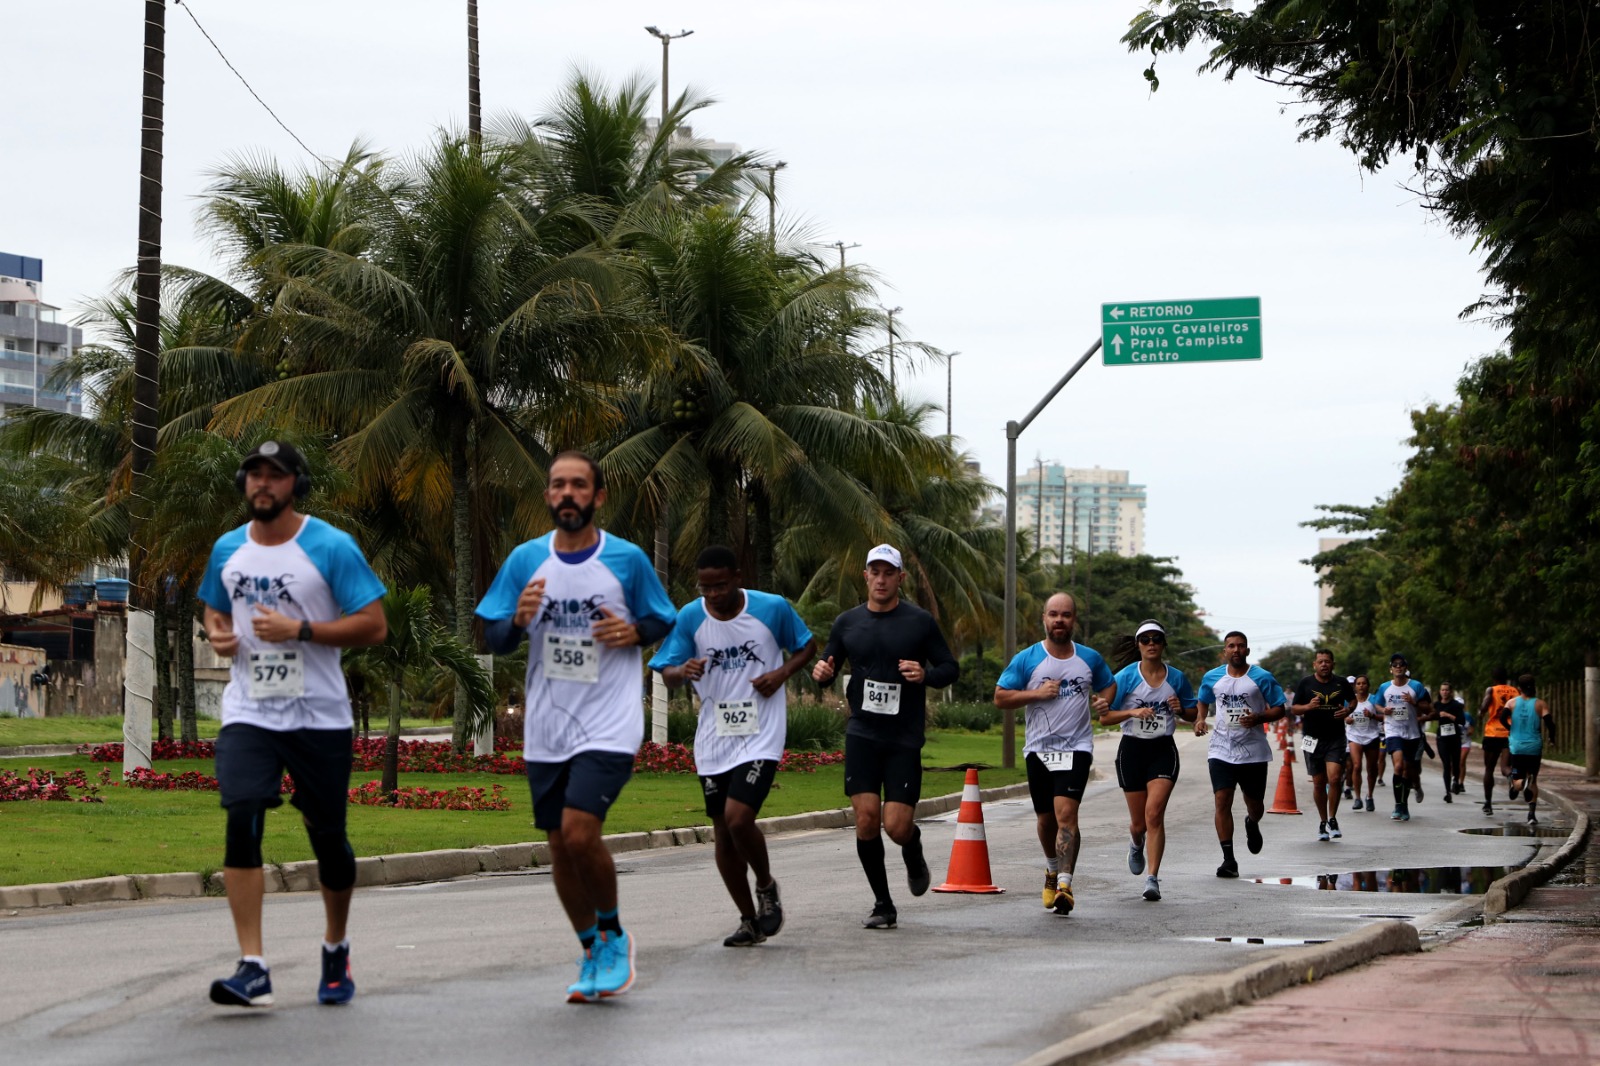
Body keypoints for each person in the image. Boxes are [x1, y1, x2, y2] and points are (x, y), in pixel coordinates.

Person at [475, 451, 676, 1003]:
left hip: (609, 722)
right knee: (560, 847)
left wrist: (634, 632)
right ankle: (591, 949)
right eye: (558, 485)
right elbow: (495, 637)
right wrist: (518, 619)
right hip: (548, 727)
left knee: (581, 831)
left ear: (598, 496)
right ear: (548, 496)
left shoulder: (626, 559)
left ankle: (614, 934)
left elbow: (662, 617)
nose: (568, 493)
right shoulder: (526, 560)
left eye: (579, 485)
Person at [199, 440, 389, 1008]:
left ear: (296, 485)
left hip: (319, 715)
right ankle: (253, 966)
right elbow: (215, 605)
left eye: (275, 475)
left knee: (327, 837)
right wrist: (217, 632)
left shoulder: (330, 546)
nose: (263, 483)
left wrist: (301, 630)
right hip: (250, 710)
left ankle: (335, 946)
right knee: (242, 814)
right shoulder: (228, 548)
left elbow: (373, 624)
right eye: (254, 474)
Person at [650, 545, 816, 947]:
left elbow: (807, 645)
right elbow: (666, 671)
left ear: (738, 578)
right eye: (705, 588)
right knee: (723, 832)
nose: (713, 595)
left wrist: (780, 674)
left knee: (739, 818)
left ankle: (766, 886)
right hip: (714, 738)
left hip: (761, 732)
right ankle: (748, 921)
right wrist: (682, 669)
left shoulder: (771, 608)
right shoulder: (690, 617)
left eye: (720, 586)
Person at [812, 544, 959, 930]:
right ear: (865, 576)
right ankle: (883, 904)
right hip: (862, 733)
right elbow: (828, 664)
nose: (881, 579)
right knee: (865, 819)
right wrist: (822, 673)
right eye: (874, 572)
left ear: (900, 578)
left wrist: (925, 675)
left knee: (895, 826)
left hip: (903, 738)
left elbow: (950, 667)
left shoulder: (919, 621)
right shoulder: (847, 622)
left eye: (888, 573)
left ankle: (912, 845)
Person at [994, 594, 1115, 914]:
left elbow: (1108, 684)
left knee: (1067, 815)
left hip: (1077, 748)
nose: (1059, 620)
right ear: (1044, 619)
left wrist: (1104, 701)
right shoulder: (1028, 659)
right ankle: (1051, 869)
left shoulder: (1089, 658)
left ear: (1074, 620)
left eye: (1066, 614)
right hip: (1038, 749)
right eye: (1053, 614)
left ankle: (1065, 884)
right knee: (1046, 819)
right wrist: (1037, 693)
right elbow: (1000, 697)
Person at [1100, 619, 1195, 902]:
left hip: (1162, 750)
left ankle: (1152, 879)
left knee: (1154, 814)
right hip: (1132, 750)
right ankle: (1135, 841)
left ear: (1164, 644)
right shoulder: (1125, 677)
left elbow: (1193, 713)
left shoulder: (1176, 678)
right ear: (1138, 645)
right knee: (1139, 823)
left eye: (1156, 639)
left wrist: (1181, 710)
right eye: (1146, 639)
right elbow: (1105, 718)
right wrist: (1132, 712)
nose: (1151, 644)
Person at [1194, 632, 1288, 878]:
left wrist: (1259, 717)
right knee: (1222, 800)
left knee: (1255, 805)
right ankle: (1229, 860)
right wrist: (1200, 718)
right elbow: (1202, 699)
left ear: (1247, 650)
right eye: (1231, 646)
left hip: (1253, 752)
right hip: (1221, 749)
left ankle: (1252, 822)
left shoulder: (1261, 677)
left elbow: (1279, 708)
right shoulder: (1212, 677)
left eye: (1240, 646)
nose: (1236, 650)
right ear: (1224, 651)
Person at [1290, 650, 1355, 841]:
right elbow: (1294, 708)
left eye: (1327, 661)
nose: (1324, 664)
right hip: (1312, 738)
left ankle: (1333, 819)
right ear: (1315, 664)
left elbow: (1352, 700)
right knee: (1319, 783)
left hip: (1336, 738)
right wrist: (1308, 707)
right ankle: (1322, 821)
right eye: (1320, 661)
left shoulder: (1341, 682)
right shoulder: (1306, 683)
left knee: (1334, 778)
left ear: (1333, 664)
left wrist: (1348, 710)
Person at [1372, 653, 1435, 821]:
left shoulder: (1416, 686)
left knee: (1408, 770)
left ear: (1406, 668)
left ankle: (1404, 805)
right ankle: (1398, 805)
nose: (1398, 667)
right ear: (1391, 669)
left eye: (1401, 664)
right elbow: (1377, 704)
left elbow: (1429, 709)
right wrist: (1383, 710)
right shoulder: (1385, 687)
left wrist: (1414, 702)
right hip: (1393, 731)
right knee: (1398, 766)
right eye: (1395, 665)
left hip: (1412, 733)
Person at [1504, 674, 1555, 824]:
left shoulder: (1512, 703)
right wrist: (1552, 739)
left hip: (1517, 747)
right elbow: (1550, 724)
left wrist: (1510, 729)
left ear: (1518, 688)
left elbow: (1501, 718)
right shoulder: (1540, 704)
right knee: (1534, 780)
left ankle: (1517, 786)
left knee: (1517, 780)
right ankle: (1531, 815)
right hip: (1534, 747)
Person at [1478, 666, 1519, 815]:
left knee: (1489, 769)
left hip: (1493, 733)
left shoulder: (1491, 690)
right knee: (1505, 767)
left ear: (1493, 678)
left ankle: (1488, 804)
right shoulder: (1515, 691)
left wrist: (1481, 712)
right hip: (1510, 732)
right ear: (1506, 678)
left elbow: (1484, 707)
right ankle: (1511, 776)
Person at [1344, 674, 1382, 813]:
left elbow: (1384, 716)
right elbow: (1341, 713)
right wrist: (1346, 719)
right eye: (1358, 683)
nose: (1361, 686)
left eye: (1364, 683)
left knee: (1372, 768)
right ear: (1355, 686)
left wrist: (1372, 716)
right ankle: (1358, 798)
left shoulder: (1374, 699)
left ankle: (1369, 796)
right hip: (1354, 736)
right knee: (1357, 765)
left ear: (1368, 685)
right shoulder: (1349, 700)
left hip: (1371, 736)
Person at [1432, 682, 1466, 802]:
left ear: (1450, 692)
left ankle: (1456, 780)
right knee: (1446, 765)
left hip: (1454, 738)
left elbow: (1462, 721)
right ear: (1440, 692)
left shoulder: (1456, 705)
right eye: (1442, 690)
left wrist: (1448, 715)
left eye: (1447, 690)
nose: (1444, 692)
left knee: (1456, 763)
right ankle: (1447, 792)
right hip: (1442, 738)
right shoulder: (1436, 705)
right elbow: (1430, 715)